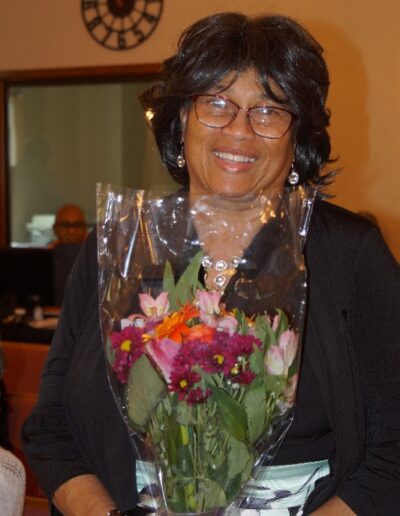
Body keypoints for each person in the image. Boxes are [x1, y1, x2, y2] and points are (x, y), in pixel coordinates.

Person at [21, 12, 400, 516]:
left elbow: (393, 451)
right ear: (181, 118)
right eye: (216, 103)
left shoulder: (348, 254)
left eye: (269, 110)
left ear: (297, 135)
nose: (239, 130)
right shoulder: (121, 245)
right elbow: (51, 429)